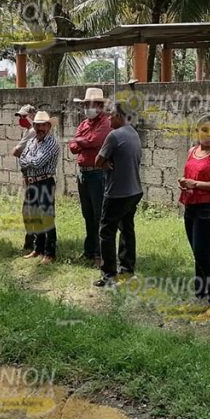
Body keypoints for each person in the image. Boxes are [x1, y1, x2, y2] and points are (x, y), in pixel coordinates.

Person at [178, 115, 210, 305]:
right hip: (190, 206)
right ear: (197, 132)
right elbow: (189, 175)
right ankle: (201, 291)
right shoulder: (193, 150)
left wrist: (196, 184)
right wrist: (185, 183)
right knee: (196, 251)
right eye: (204, 130)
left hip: (207, 209)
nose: (208, 135)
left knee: (202, 253)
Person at [93, 103, 144, 286]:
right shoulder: (133, 133)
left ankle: (108, 276)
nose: (108, 118)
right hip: (134, 190)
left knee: (106, 231)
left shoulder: (113, 136)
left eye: (111, 115)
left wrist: (105, 163)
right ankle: (128, 270)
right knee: (127, 229)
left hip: (117, 192)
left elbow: (98, 160)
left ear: (120, 117)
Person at [69, 88, 112, 266]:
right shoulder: (84, 123)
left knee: (98, 214)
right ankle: (89, 250)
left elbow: (95, 141)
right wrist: (81, 141)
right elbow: (73, 147)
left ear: (100, 106)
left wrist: (80, 140)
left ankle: (100, 253)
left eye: (91, 105)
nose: (87, 108)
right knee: (88, 214)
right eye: (86, 105)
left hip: (97, 173)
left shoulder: (105, 123)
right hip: (83, 173)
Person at [19, 111, 60, 264]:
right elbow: (21, 160)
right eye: (37, 125)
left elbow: (38, 162)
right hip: (32, 182)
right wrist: (29, 160)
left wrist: (27, 159)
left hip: (45, 182)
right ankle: (38, 248)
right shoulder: (32, 141)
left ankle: (50, 253)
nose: (40, 128)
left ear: (49, 126)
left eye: (43, 125)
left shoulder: (52, 143)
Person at [12, 104, 37, 252]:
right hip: (28, 174)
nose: (21, 119)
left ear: (32, 115)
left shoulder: (32, 131)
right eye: (20, 116)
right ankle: (31, 240)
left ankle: (32, 241)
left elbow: (16, 151)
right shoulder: (29, 131)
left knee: (29, 208)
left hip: (32, 175)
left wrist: (20, 153)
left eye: (24, 116)